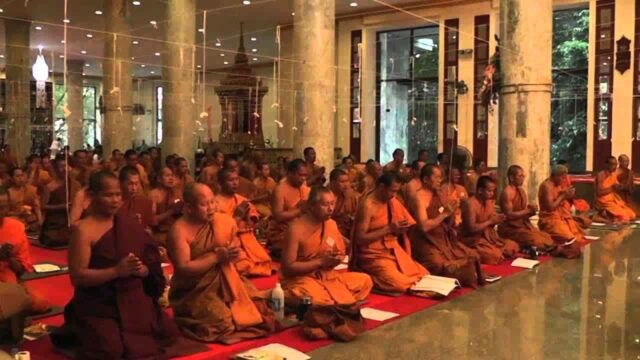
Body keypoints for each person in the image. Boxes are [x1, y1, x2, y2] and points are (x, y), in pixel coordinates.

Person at [57, 171, 177, 359]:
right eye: (108, 195)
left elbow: (150, 266)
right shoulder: (84, 231)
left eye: (118, 195)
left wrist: (143, 270)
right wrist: (116, 271)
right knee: (111, 351)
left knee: (167, 333)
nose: (115, 200)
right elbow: (78, 276)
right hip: (100, 304)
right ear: (92, 197)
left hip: (133, 297)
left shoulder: (128, 224)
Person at [167, 183, 276, 343]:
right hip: (195, 289)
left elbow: (234, 245)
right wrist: (216, 257)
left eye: (212, 202)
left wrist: (231, 253)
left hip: (226, 278)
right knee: (221, 323)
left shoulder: (222, 221)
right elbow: (183, 268)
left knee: (260, 311)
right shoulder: (179, 231)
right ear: (189, 208)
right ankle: (185, 319)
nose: (211, 208)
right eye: (204, 204)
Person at [281, 186, 372, 306]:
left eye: (332, 204)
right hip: (303, 279)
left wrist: (335, 259)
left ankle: (331, 300)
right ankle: (287, 295)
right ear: (312, 206)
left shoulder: (331, 224)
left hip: (329, 277)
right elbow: (288, 267)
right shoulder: (295, 229)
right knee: (314, 297)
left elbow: (340, 252)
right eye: (325, 205)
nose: (330, 209)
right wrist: (320, 262)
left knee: (365, 280)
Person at [408, 164, 484, 288]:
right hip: (427, 242)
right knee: (439, 265)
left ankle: (465, 274)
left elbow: (448, 223)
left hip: (444, 239)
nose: (440, 180)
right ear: (426, 179)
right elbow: (424, 227)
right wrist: (445, 213)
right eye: (436, 177)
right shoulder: (418, 198)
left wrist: (453, 211)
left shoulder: (440, 194)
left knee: (473, 255)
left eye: (441, 177)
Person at [351, 172, 428, 294]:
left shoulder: (392, 201)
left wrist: (400, 231)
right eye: (392, 191)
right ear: (381, 187)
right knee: (401, 284)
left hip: (393, 250)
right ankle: (368, 277)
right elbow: (360, 238)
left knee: (424, 275)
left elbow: (408, 225)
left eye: (396, 191)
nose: (394, 195)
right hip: (373, 256)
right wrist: (388, 229)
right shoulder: (368, 205)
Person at [0, 190, 51, 314]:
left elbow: (21, 271)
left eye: (3, 207)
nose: (0, 211)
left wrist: (8, 258)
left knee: (40, 302)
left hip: (8, 279)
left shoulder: (16, 227)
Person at [215, 168, 272, 277]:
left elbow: (253, 220)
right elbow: (221, 232)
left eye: (236, 179)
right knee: (244, 265)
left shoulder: (241, 199)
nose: (235, 183)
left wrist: (251, 218)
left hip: (246, 238)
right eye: (230, 180)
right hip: (230, 241)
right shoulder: (216, 203)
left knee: (265, 262)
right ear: (221, 183)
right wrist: (237, 217)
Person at [460, 176, 519, 264]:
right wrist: (490, 221)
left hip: (489, 238)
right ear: (480, 190)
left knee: (513, 246)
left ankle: (493, 250)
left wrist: (498, 219)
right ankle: (469, 252)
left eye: (493, 191)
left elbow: (491, 221)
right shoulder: (471, 204)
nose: (492, 193)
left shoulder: (489, 202)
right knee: (494, 255)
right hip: (474, 241)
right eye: (489, 191)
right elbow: (471, 228)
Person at [497, 165, 557, 253]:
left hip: (522, 224)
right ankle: (524, 246)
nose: (523, 178)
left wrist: (531, 212)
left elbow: (523, 212)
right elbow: (508, 215)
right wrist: (527, 211)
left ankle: (526, 245)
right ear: (511, 177)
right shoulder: (507, 193)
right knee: (537, 242)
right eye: (520, 176)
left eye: (523, 176)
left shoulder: (521, 191)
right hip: (511, 228)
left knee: (547, 237)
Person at [538, 165, 584, 255]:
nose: (564, 180)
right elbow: (550, 207)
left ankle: (557, 244)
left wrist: (568, 194)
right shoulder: (546, 186)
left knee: (578, 235)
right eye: (562, 178)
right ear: (555, 176)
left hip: (560, 216)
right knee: (573, 245)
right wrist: (563, 196)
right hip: (549, 219)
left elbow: (560, 199)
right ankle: (557, 249)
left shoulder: (557, 184)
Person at [267, 159, 310, 253]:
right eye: (300, 175)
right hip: (284, 233)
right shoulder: (280, 190)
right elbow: (278, 216)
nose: (303, 179)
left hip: (304, 229)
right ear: (290, 173)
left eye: (305, 175)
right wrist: (300, 210)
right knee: (305, 245)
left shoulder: (306, 189)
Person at [40, 156, 80, 246]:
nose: (64, 169)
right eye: (61, 166)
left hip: (71, 218)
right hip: (55, 221)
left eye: (65, 166)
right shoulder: (50, 186)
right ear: (55, 169)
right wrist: (62, 206)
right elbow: (43, 206)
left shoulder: (75, 184)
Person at [594, 156, 636, 223]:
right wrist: (612, 188)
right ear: (606, 165)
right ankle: (601, 215)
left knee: (632, 215)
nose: (614, 166)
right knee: (625, 218)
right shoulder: (601, 175)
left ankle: (607, 214)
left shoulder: (613, 174)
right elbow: (599, 192)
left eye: (615, 164)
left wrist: (623, 186)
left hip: (614, 200)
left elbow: (617, 186)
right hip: (604, 202)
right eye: (612, 164)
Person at [150, 167, 183, 246]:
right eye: (167, 176)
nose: (171, 178)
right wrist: (171, 212)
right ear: (159, 179)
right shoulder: (154, 194)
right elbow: (152, 220)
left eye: (172, 175)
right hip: (160, 233)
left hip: (177, 231)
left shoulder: (177, 192)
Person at [118, 166, 156, 231]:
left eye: (136, 184)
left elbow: (149, 227)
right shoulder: (114, 204)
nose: (134, 188)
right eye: (130, 184)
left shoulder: (145, 203)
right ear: (120, 183)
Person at [7, 167, 42, 232]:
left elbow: (37, 207)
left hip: (30, 218)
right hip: (15, 218)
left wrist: (40, 221)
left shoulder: (31, 189)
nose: (20, 178)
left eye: (22, 175)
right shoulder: (8, 192)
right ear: (12, 178)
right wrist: (19, 213)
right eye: (17, 176)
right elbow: (5, 212)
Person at [329, 168, 359, 241]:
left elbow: (356, 214)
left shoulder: (350, 195)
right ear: (332, 183)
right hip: (330, 231)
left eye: (347, 181)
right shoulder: (326, 196)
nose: (346, 184)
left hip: (348, 231)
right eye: (342, 182)